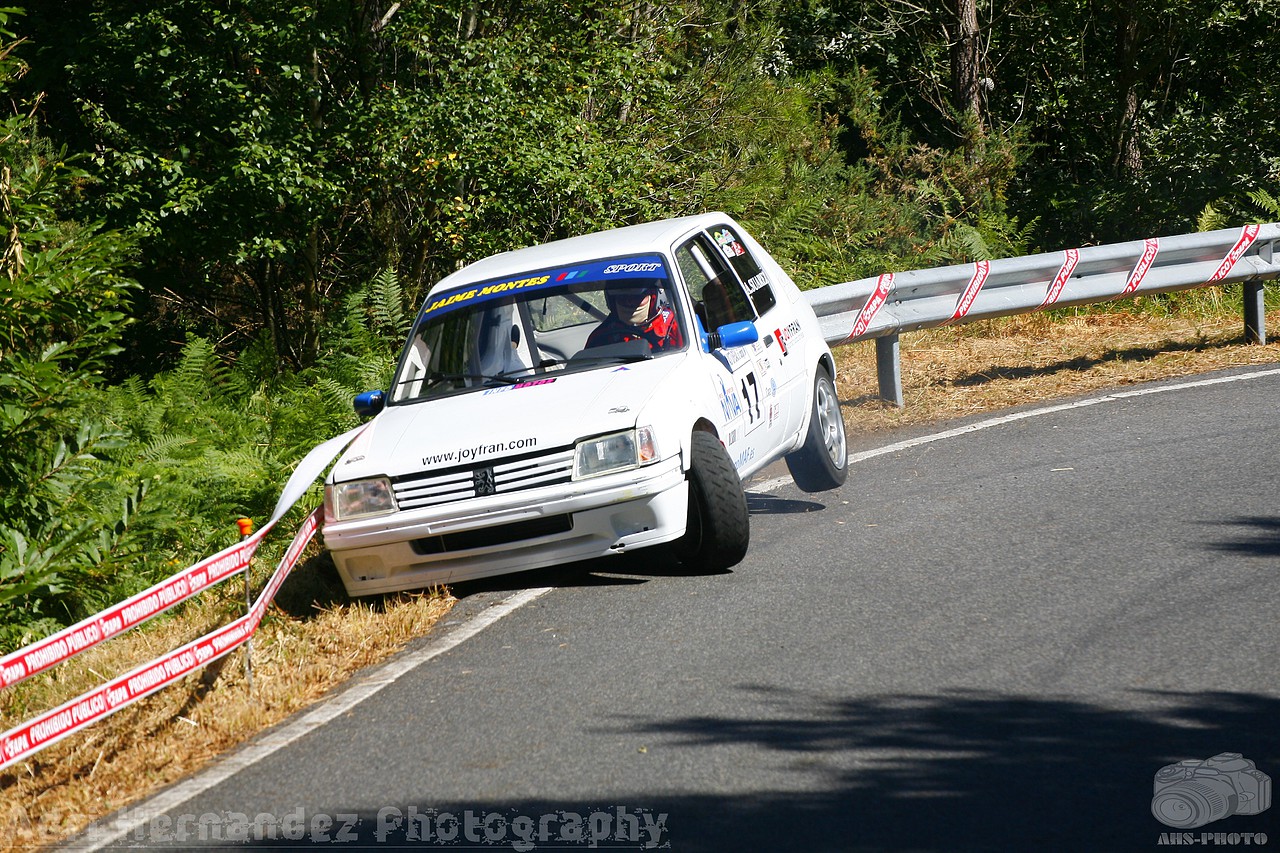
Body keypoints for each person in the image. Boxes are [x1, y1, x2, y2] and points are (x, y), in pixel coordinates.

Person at [586, 281, 684, 352]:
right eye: (622, 297)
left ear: (655, 296)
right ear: (611, 301)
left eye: (637, 297)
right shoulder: (600, 336)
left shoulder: (676, 324)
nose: (629, 302)